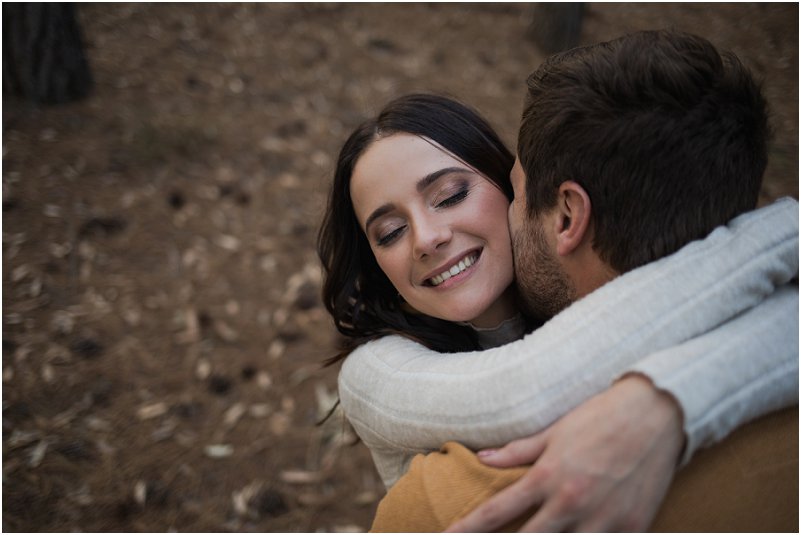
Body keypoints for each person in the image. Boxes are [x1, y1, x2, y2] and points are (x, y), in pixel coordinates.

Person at [332, 30, 798, 532]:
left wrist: (669, 401)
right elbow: (523, 390)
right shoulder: (375, 376)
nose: (425, 238)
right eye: (390, 232)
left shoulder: (571, 299)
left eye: (449, 195)